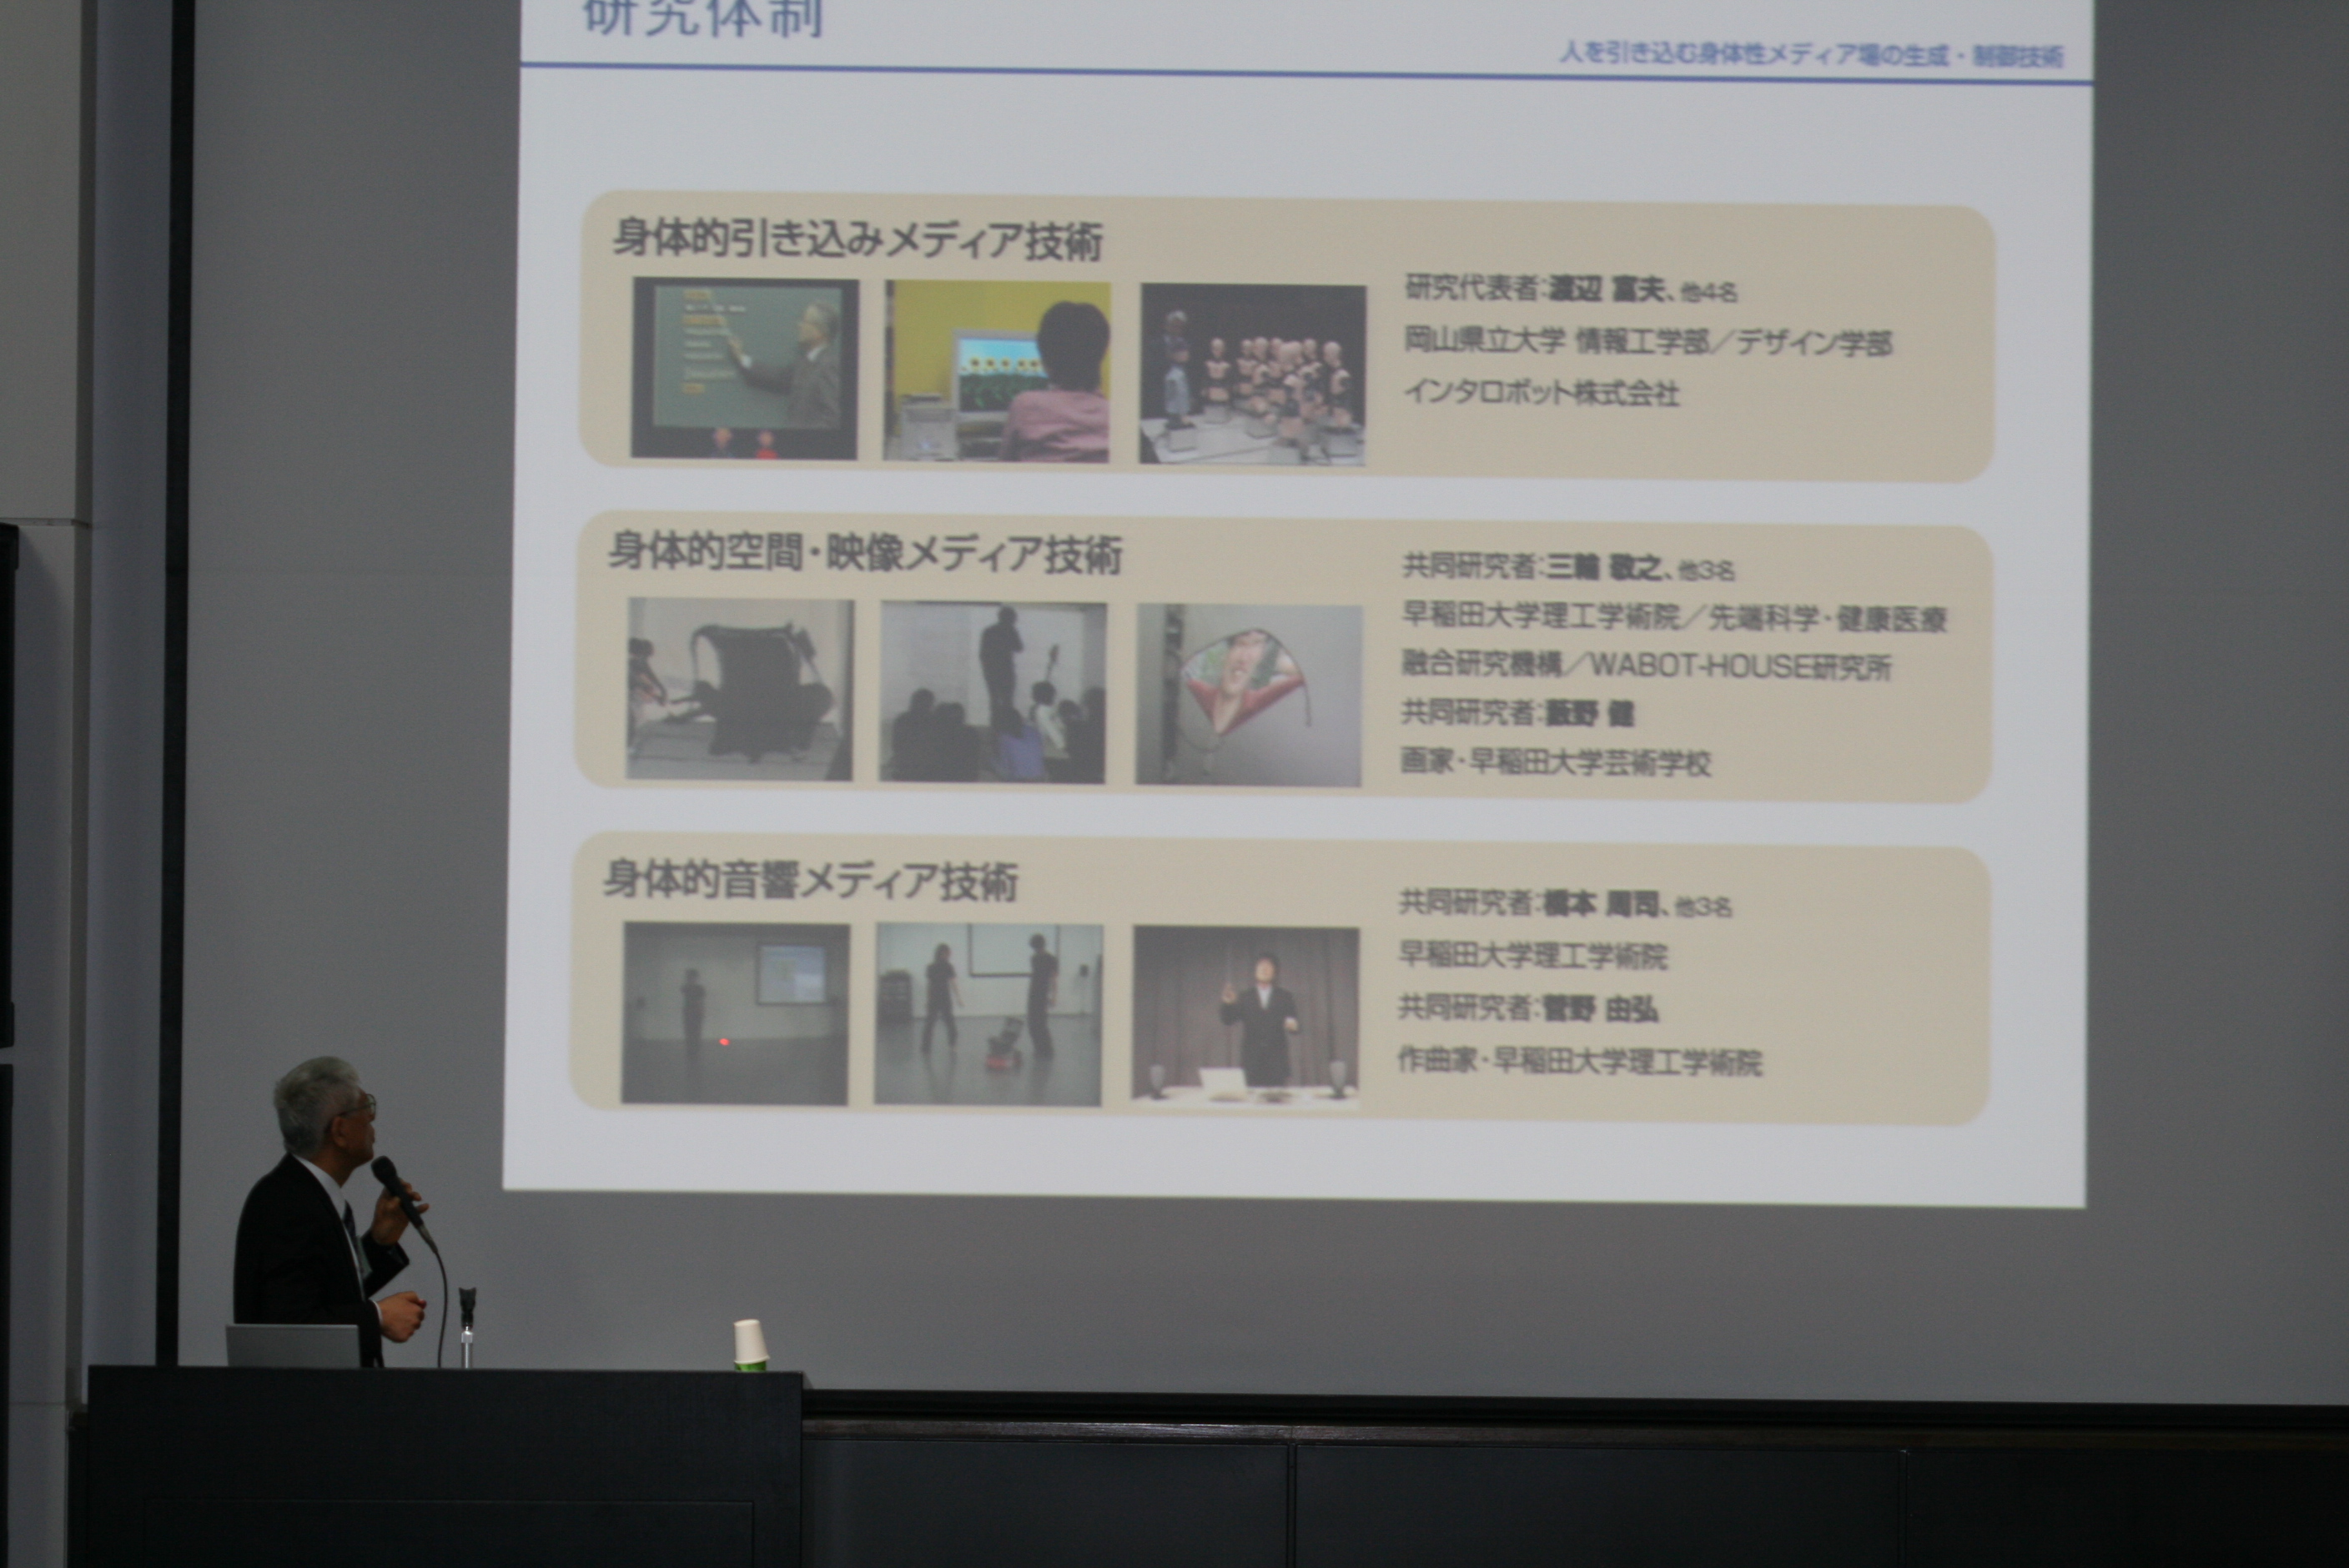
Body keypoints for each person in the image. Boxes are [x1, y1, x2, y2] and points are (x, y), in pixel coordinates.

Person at [233, 1058, 428, 1367]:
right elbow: (288, 1325)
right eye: (366, 1108)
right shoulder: (290, 1204)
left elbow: (328, 1293)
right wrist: (377, 1316)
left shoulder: (305, 1193)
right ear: (339, 1131)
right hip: (303, 1396)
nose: (372, 1120)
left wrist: (379, 1244)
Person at [1000, 300, 1110, 462]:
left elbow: (1004, 466)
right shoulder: (1115, 415)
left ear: (1045, 355)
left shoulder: (1025, 406)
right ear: (1102, 353)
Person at [725, 300, 842, 430]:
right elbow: (778, 378)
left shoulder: (830, 366)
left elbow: (832, 418)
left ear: (819, 332)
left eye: (805, 321)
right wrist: (742, 358)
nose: (799, 325)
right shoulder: (805, 362)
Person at [1220, 953, 1301, 1088]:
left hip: (1277, 1064)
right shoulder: (1245, 997)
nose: (1264, 969)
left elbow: (1295, 1025)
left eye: (1268, 966)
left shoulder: (1285, 996)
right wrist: (1228, 1004)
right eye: (1261, 966)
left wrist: (1293, 1026)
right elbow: (1228, 1020)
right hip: (1252, 1063)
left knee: (1278, 1099)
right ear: (1255, 971)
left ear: (1275, 973)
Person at [978, 606, 1022, 723]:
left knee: (996, 700)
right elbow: (1019, 647)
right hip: (1004, 671)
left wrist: (986, 670)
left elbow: (983, 654)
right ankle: (1005, 725)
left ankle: (997, 726)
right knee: (1006, 700)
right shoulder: (1010, 631)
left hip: (994, 672)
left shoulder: (989, 631)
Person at [923, 942, 963, 1052]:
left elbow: (952, 983)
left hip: (939, 998)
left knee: (935, 1024)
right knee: (942, 1023)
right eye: (948, 953)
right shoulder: (939, 967)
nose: (949, 955)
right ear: (943, 953)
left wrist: (958, 998)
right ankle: (951, 1045)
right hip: (940, 998)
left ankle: (927, 1048)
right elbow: (952, 984)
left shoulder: (942, 967)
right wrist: (958, 998)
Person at [891, 688, 938, 781]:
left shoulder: (902, 720)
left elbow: (896, 745)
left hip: (906, 767)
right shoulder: (935, 721)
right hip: (927, 768)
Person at [993, 705, 1047, 781]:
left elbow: (1006, 765)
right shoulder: (1033, 731)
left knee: (991, 762)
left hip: (1020, 780)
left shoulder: (1004, 738)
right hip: (1040, 777)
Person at [1027, 934, 1060, 1059]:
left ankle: (1047, 1049)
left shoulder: (1051, 959)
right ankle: (1039, 1048)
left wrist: (1054, 996)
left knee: (1041, 1023)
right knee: (1032, 1022)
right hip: (1034, 992)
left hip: (1042, 993)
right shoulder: (1034, 958)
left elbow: (1053, 979)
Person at [682, 968, 707, 1070]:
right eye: (690, 977)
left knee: (696, 1033)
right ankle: (690, 1054)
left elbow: (701, 1001)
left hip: (696, 1013)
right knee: (689, 1033)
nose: (692, 979)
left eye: (693, 977)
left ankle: (695, 1054)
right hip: (688, 1012)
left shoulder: (700, 989)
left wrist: (702, 1011)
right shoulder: (685, 988)